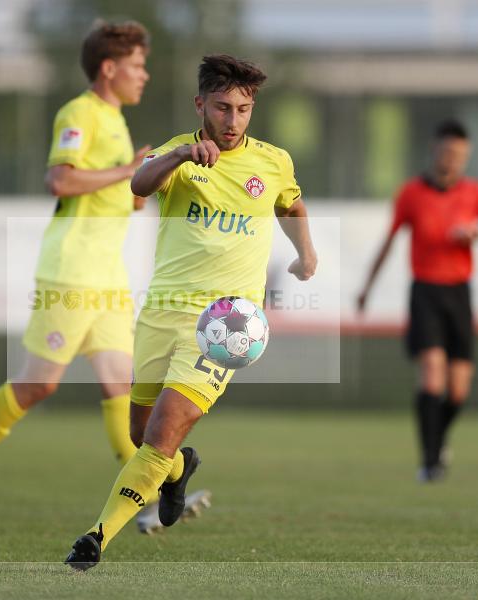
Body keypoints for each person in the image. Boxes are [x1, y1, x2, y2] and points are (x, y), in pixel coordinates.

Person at [0, 20, 209, 533]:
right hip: (71, 272)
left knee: (124, 393)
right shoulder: (79, 112)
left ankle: (151, 491)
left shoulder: (116, 120)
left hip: (106, 279)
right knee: (38, 385)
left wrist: (144, 184)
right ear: (109, 68)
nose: (144, 75)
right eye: (137, 66)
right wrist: (127, 171)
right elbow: (60, 177)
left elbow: (122, 190)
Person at [64, 54, 318, 570]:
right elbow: (139, 184)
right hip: (161, 314)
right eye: (222, 108)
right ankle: (179, 471)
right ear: (200, 104)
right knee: (143, 439)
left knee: (157, 436)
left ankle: (95, 538)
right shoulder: (178, 158)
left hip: (226, 324)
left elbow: (290, 204)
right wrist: (181, 155)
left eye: (243, 110)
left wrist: (306, 253)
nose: (232, 121)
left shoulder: (273, 161)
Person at [356, 119, 478, 482]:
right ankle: (429, 461)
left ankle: (438, 440)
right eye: (448, 152)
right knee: (432, 377)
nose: (453, 160)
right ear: (434, 150)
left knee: (458, 390)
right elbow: (388, 242)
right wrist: (367, 288)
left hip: (459, 295)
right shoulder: (411, 193)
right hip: (425, 292)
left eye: (460, 155)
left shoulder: (476, 193)